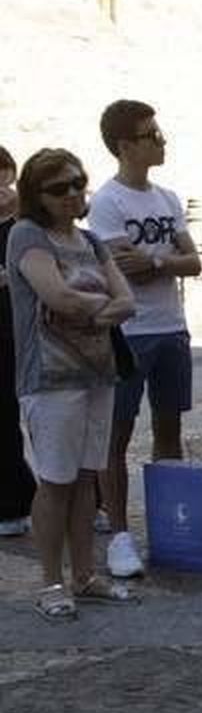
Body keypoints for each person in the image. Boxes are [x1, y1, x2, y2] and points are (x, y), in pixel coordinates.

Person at [7, 148, 139, 619]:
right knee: (56, 481)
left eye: (77, 183)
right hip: (50, 377)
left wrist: (91, 310)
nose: (71, 194)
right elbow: (56, 295)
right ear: (36, 194)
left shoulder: (92, 242)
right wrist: (100, 307)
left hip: (98, 372)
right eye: (58, 188)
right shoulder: (27, 235)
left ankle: (84, 574)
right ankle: (51, 581)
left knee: (87, 480)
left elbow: (126, 300)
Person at [87, 100, 202, 579]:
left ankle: (168, 526)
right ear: (125, 146)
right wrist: (165, 259)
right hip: (129, 332)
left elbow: (192, 263)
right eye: (151, 134)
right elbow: (119, 267)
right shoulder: (109, 202)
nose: (162, 139)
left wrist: (155, 262)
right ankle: (118, 535)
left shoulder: (169, 199)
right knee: (117, 435)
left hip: (171, 328)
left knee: (169, 430)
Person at [0, 145, 35, 538]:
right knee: (4, 420)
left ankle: (88, 501)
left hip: (32, 333)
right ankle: (13, 500)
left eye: (5, 176)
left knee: (49, 419)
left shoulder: (27, 227)